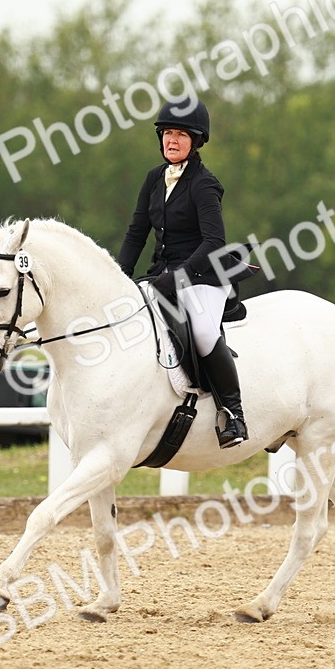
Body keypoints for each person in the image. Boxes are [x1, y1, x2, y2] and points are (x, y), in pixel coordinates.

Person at [117, 96, 255, 448]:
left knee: (204, 334)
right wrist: (121, 274)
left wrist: (178, 277)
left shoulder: (204, 184)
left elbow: (214, 241)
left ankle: (234, 415)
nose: (171, 140)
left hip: (202, 277)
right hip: (160, 275)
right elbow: (137, 233)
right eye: (166, 133)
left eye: (179, 134)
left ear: (195, 141)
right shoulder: (153, 179)